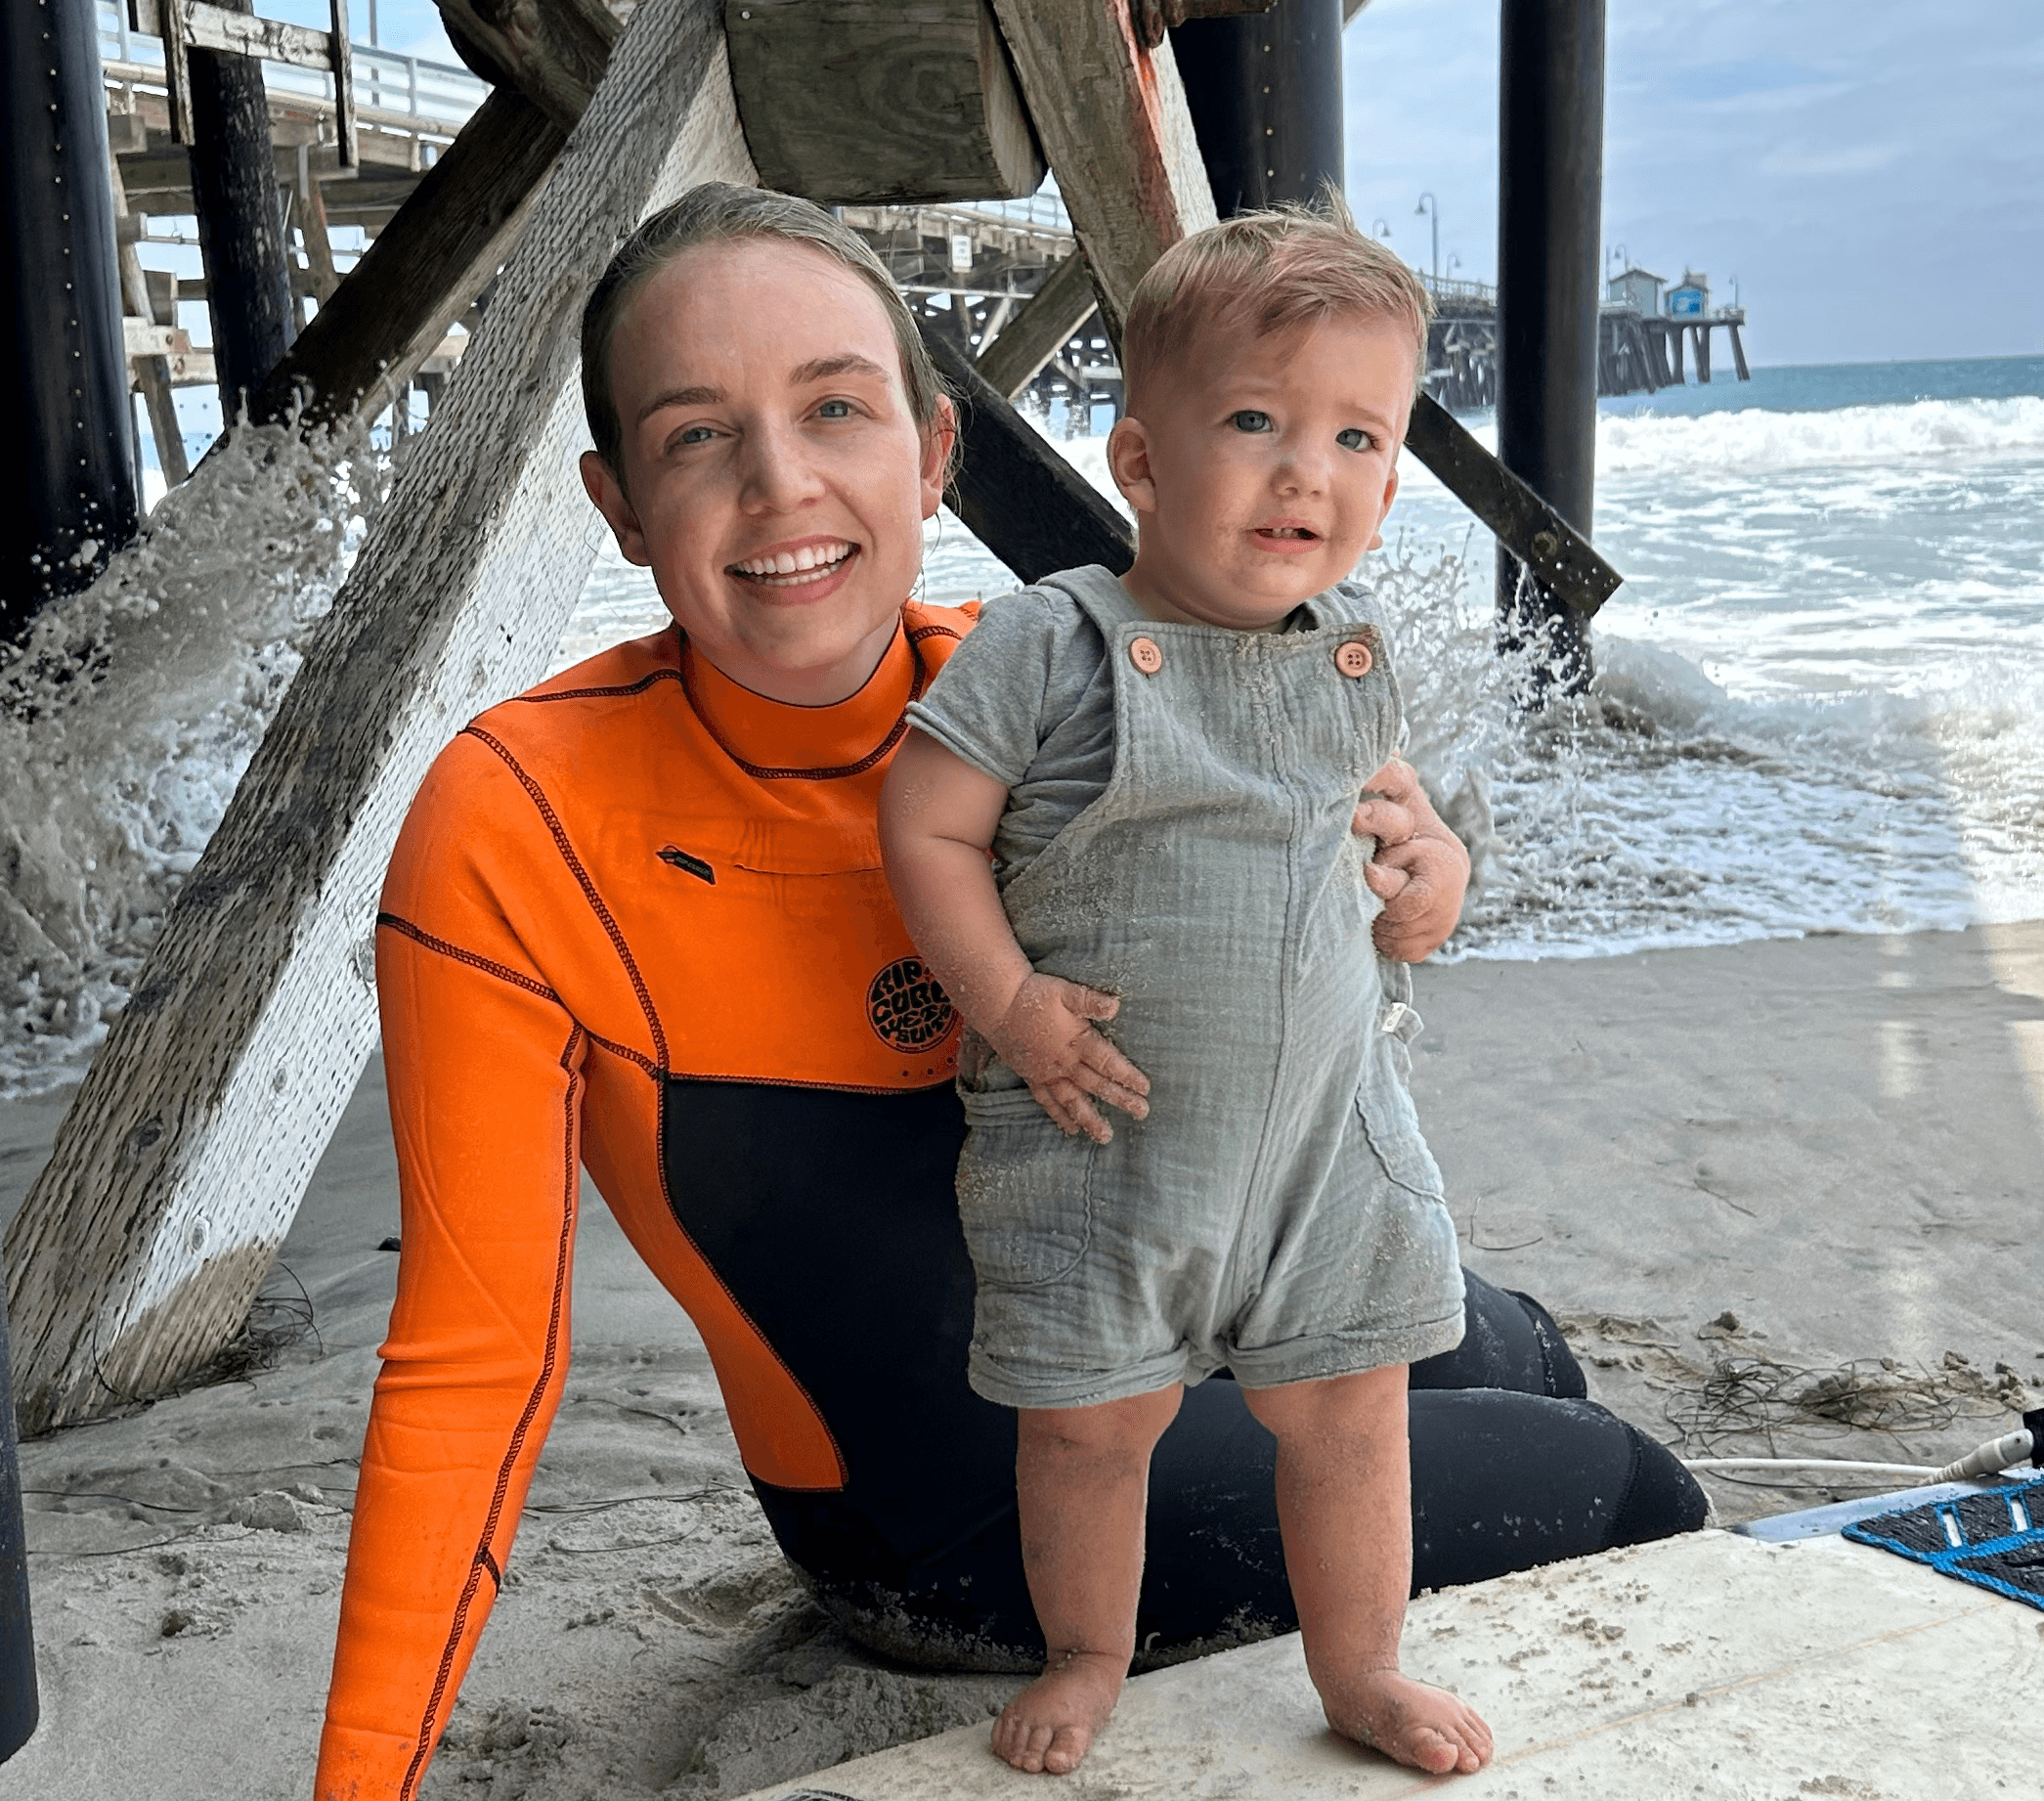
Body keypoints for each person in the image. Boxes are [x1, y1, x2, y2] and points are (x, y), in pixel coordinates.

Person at [314, 184, 1704, 1801]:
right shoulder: (523, 817)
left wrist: (1409, 865)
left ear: (932, 451)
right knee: (1611, 1479)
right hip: (944, 1514)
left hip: (1160, 1319)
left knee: (1513, 1345)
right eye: (700, 438)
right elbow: (474, 1357)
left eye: (836, 407)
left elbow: (1310, 897)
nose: (782, 486)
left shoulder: (1047, 680)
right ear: (618, 503)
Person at [879, 203, 1490, 1778]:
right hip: (1108, 1142)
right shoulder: (1053, 642)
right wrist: (1008, 1001)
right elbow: (926, 824)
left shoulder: (1353, 648)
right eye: (1255, 422)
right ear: (1141, 461)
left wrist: (1434, 882)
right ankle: (1090, 1647)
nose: (1310, 471)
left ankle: (1359, 1671)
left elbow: (1401, 839)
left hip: (1326, 1146)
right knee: (1091, 1426)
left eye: (1359, 435)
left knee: (1355, 1413)